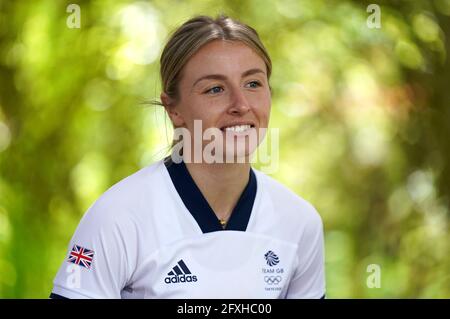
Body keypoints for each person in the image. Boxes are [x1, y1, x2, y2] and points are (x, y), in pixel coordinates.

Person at [50, 14, 326, 299]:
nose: (241, 105)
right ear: (173, 109)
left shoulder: (299, 223)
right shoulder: (118, 218)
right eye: (215, 89)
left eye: (253, 84)